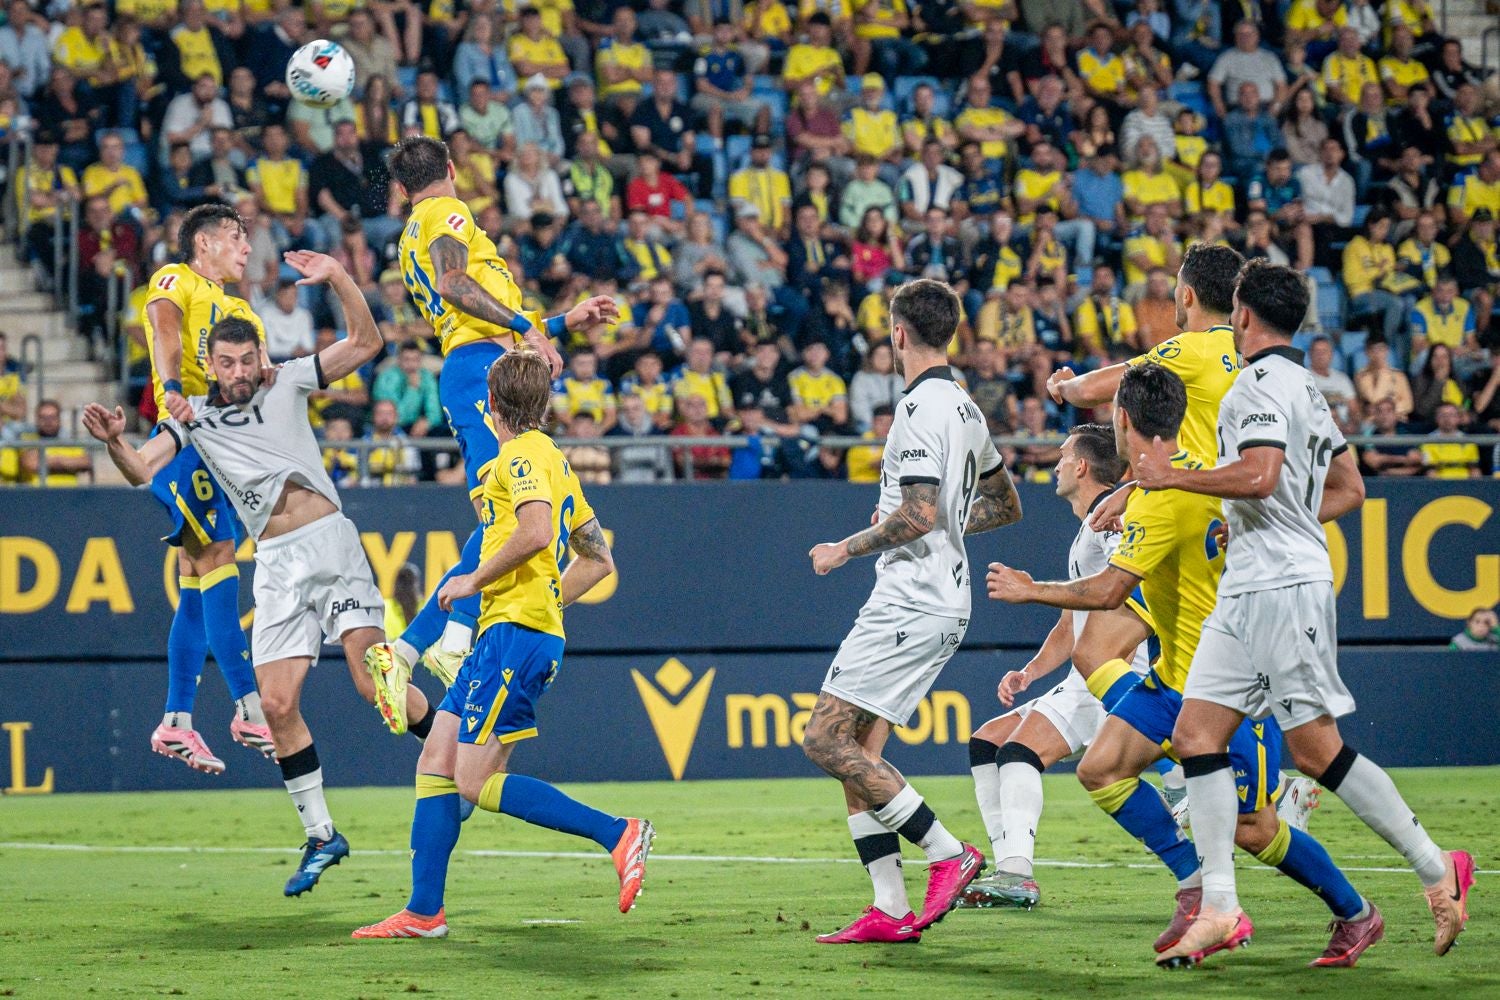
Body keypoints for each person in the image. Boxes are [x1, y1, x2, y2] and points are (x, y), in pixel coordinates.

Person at [990, 361, 1378, 968]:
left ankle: (1356, 913)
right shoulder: (1178, 483)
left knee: (1255, 830)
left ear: (1122, 420)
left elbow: (1108, 592)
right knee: (1101, 769)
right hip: (1174, 676)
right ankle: (1196, 882)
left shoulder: (1166, 494)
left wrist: (1027, 587)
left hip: (1226, 692)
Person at [1143, 259, 1473, 967]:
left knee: (1316, 750)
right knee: (1195, 735)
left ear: (1244, 315)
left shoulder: (1258, 382)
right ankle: (1221, 909)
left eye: (1234, 305)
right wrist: (1269, 514)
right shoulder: (1308, 388)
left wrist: (1175, 474)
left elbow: (1261, 474)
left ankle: (1434, 864)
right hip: (1249, 584)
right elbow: (1349, 487)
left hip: (1282, 589)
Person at [85, 251, 436, 897]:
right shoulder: (192, 415)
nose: (240, 372)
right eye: (227, 363)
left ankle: (451, 754)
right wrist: (114, 441)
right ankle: (323, 834)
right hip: (274, 565)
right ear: (211, 364)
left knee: (372, 685)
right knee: (275, 706)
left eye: (248, 361)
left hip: (329, 547)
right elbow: (141, 470)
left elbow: (367, 340)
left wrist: (337, 279)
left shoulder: (289, 379)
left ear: (260, 358)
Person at [351, 349, 649, 939]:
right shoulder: (553, 458)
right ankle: (423, 911)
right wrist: (549, 601)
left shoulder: (520, 457)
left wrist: (472, 580)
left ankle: (618, 833)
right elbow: (599, 559)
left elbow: (537, 533)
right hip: (508, 631)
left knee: (473, 781)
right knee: (436, 761)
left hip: (514, 635)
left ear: (490, 404)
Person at [804, 278, 1023, 944]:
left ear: (899, 332)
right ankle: (892, 908)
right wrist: (936, 523)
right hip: (942, 597)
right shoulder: (965, 408)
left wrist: (847, 546)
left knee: (823, 740)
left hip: (911, 598)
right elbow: (1005, 504)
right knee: (860, 754)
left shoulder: (920, 408)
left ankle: (948, 852)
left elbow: (921, 512)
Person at [366, 136, 618, 711]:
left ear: (401, 189)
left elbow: (473, 313)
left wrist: (557, 322)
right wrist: (529, 332)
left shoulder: (414, 225)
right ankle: (440, 641)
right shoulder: (446, 212)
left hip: (479, 365)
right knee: (511, 513)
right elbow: (457, 286)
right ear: (452, 170)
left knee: (512, 513)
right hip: (482, 372)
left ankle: (413, 650)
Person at [960, 423, 1153, 909]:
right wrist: (1030, 672)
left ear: (1083, 466)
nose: (1057, 462)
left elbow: (1119, 593)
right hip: (1085, 675)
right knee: (988, 743)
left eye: (1065, 455)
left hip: (1113, 672)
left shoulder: (1113, 518)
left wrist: (1030, 590)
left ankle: (1016, 875)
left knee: (1019, 753)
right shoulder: (1090, 525)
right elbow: (1073, 622)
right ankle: (1008, 870)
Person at [142, 204, 273, 775]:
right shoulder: (177, 279)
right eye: (238, 239)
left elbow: (258, 380)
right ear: (207, 241)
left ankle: (177, 722)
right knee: (219, 559)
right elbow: (165, 328)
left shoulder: (243, 311)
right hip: (184, 432)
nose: (247, 250)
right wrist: (171, 386)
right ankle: (248, 705)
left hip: (225, 445)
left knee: (198, 581)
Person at [1048, 243, 1243, 468]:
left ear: (1187, 295)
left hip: (1197, 491)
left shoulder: (1192, 349)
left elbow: (1087, 390)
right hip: (1235, 487)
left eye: (1177, 287)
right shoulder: (1247, 347)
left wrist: (1063, 384)